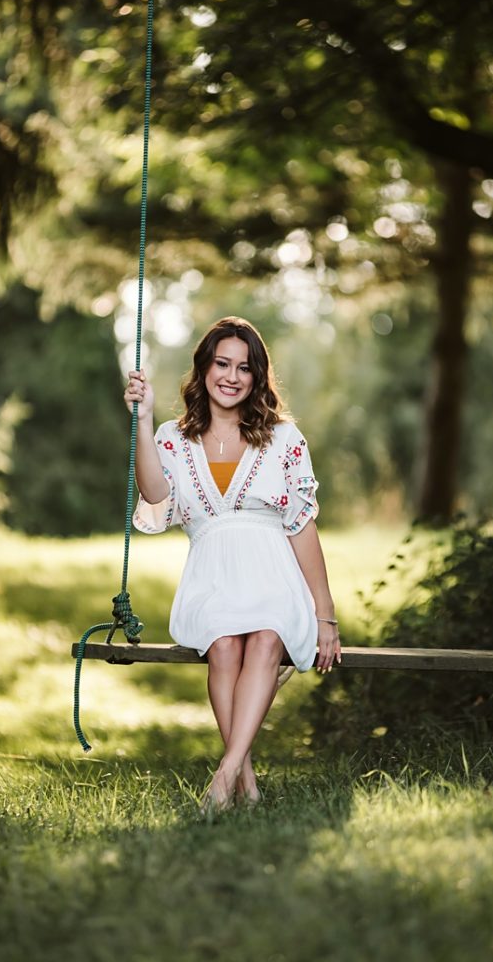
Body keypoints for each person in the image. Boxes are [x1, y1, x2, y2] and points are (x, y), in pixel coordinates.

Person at [124, 317, 339, 812]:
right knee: (222, 646)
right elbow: (156, 495)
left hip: (272, 575)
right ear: (203, 369)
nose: (232, 376)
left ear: (257, 377)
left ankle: (224, 781)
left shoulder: (282, 438)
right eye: (222, 363)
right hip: (212, 575)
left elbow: (302, 526)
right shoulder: (173, 438)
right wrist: (142, 420)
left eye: (244, 368)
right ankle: (247, 782)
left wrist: (324, 614)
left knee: (265, 638)